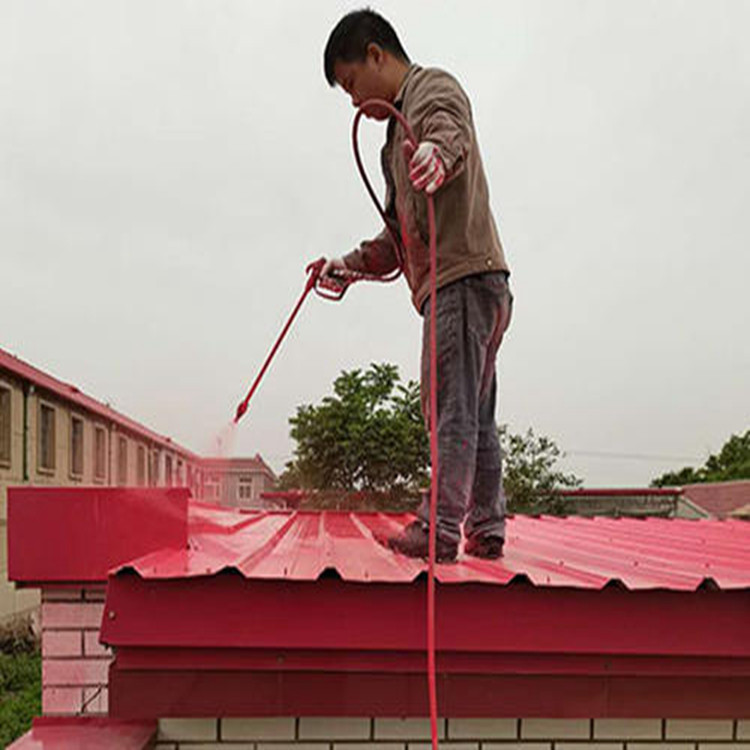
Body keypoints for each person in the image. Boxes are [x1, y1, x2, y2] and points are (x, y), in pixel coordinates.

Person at [321, 9, 513, 562]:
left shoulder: (432, 90)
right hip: (480, 282)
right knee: (474, 412)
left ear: (377, 54)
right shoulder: (390, 145)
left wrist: (437, 154)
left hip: (459, 282)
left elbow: (448, 133)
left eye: (353, 84)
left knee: (448, 407)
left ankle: (440, 531)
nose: (355, 101)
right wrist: (346, 265)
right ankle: (487, 527)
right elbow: (395, 241)